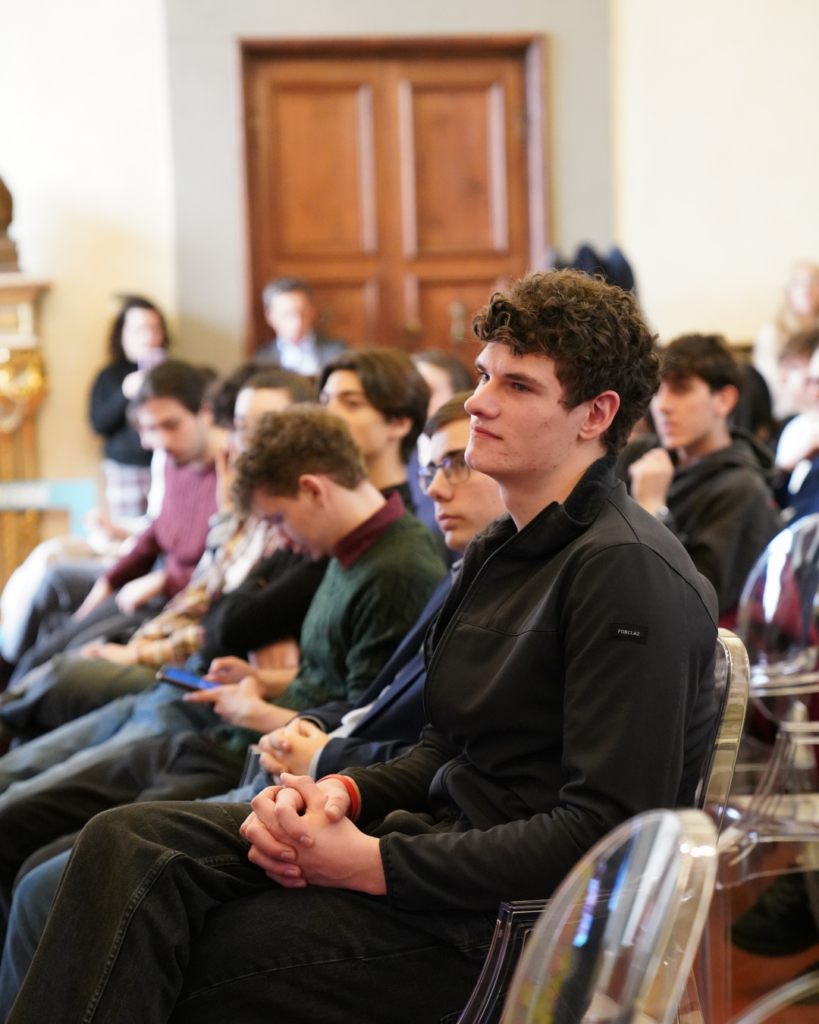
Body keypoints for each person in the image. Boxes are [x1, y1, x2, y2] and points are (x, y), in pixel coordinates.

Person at [5, 270, 719, 1024]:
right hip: (435, 852)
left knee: (184, 947)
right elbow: (443, 747)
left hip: (507, 926)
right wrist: (338, 793)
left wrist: (373, 863)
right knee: (123, 842)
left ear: (595, 414)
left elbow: (606, 833)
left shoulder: (625, 569)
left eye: (516, 386)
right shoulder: (500, 548)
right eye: (483, 376)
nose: (477, 402)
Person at [0, 391, 507, 1014]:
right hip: (270, 749)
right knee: (59, 830)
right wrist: (281, 702)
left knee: (63, 873)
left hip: (283, 765)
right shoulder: (418, 563)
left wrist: (314, 754)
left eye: (456, 464)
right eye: (430, 469)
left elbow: (421, 743)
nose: (435, 488)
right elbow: (366, 699)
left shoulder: (409, 566)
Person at [2, 361, 222, 696]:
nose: (161, 440)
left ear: (204, 412)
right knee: (56, 585)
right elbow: (157, 530)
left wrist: (164, 579)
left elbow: (224, 565)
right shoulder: (176, 459)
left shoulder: (229, 473)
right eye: (151, 429)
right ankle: (8, 677)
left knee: (64, 654)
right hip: (155, 582)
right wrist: (109, 581)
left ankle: (15, 698)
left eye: (171, 425)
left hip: (177, 599)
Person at [622, 334, 781, 626]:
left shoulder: (743, 489)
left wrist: (654, 509)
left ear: (724, 400)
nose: (662, 405)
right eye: (658, 390)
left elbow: (697, 605)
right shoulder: (639, 453)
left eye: (681, 389)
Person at [319, 348, 430, 511]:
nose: (327, 414)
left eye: (352, 403)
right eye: (325, 401)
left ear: (400, 424)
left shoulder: (402, 521)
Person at [408, 350, 475, 534]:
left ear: (459, 398)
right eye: (411, 392)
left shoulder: (476, 457)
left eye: (427, 392)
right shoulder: (397, 458)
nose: (415, 401)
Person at [254, 278, 346, 376]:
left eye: (302, 313)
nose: (297, 322)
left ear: (312, 311)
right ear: (270, 316)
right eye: (287, 314)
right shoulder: (262, 360)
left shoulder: (338, 351)